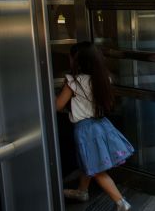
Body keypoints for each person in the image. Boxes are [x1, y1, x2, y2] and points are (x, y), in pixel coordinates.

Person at [55, 41, 134, 211]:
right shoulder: (103, 78)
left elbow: (58, 106)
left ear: (77, 61)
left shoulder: (73, 82)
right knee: (90, 161)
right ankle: (82, 191)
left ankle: (121, 203)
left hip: (85, 130)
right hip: (101, 125)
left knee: (97, 170)